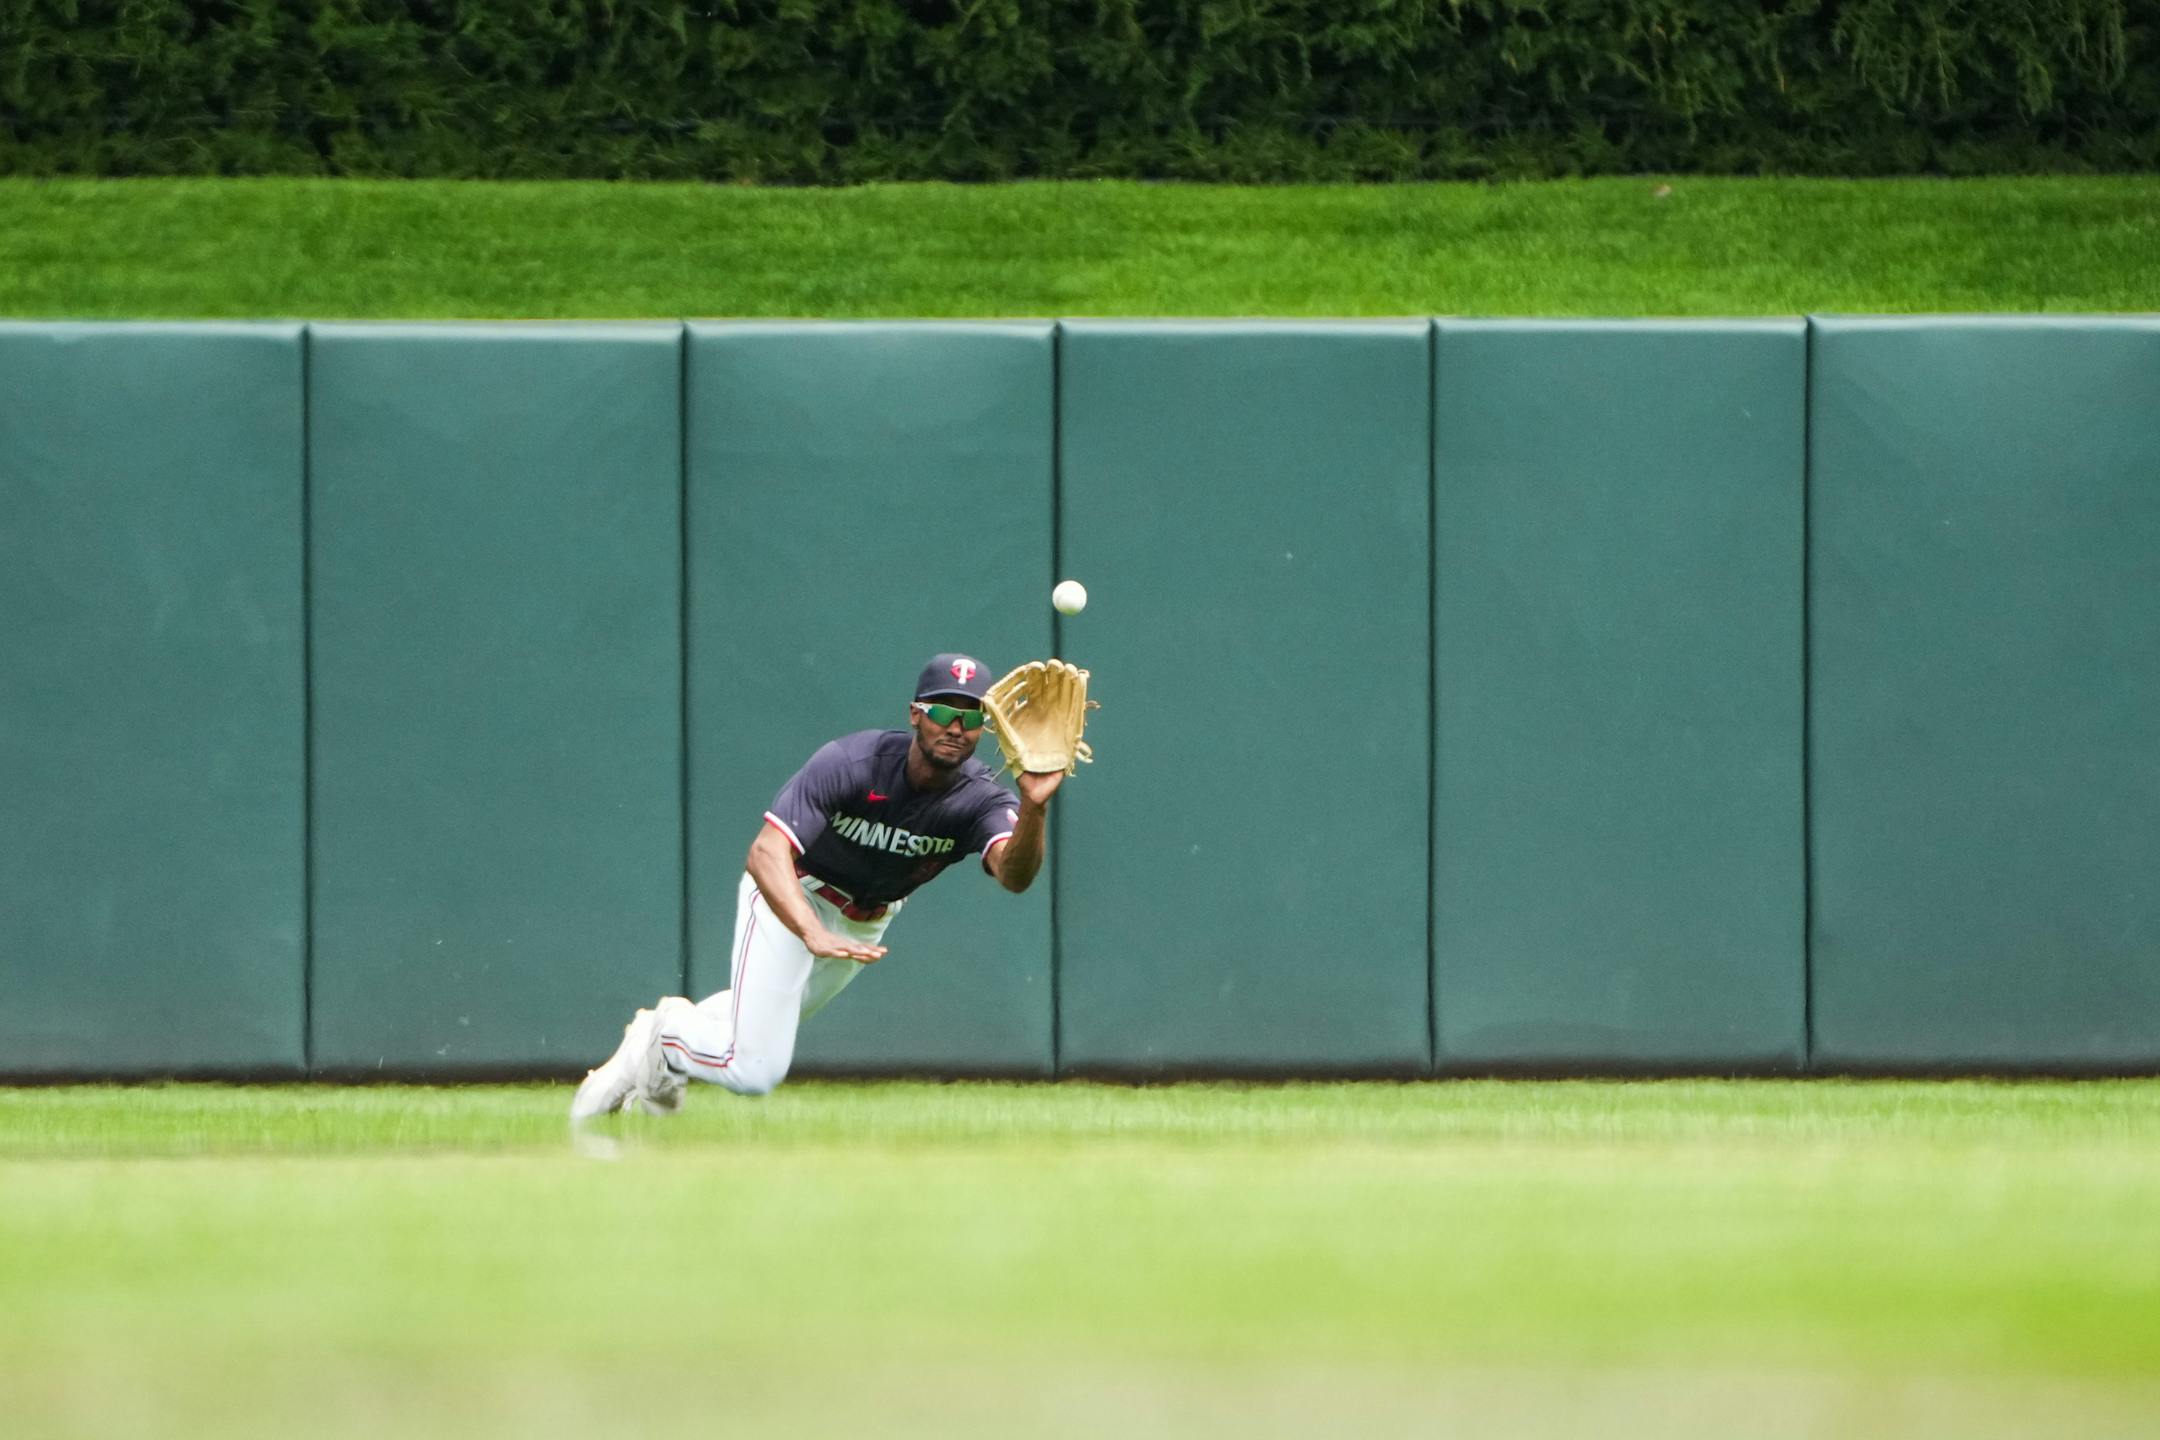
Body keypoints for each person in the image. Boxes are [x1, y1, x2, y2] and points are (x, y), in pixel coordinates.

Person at [570, 652, 1062, 1121]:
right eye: (942, 709)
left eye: (972, 716)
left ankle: (664, 1029)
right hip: (792, 895)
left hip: (864, 923)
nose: (956, 726)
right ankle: (666, 1042)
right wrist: (809, 931)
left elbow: (1014, 877)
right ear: (916, 714)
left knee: (765, 1018)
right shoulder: (853, 763)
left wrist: (1035, 806)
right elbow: (766, 852)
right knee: (755, 1070)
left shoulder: (981, 797)